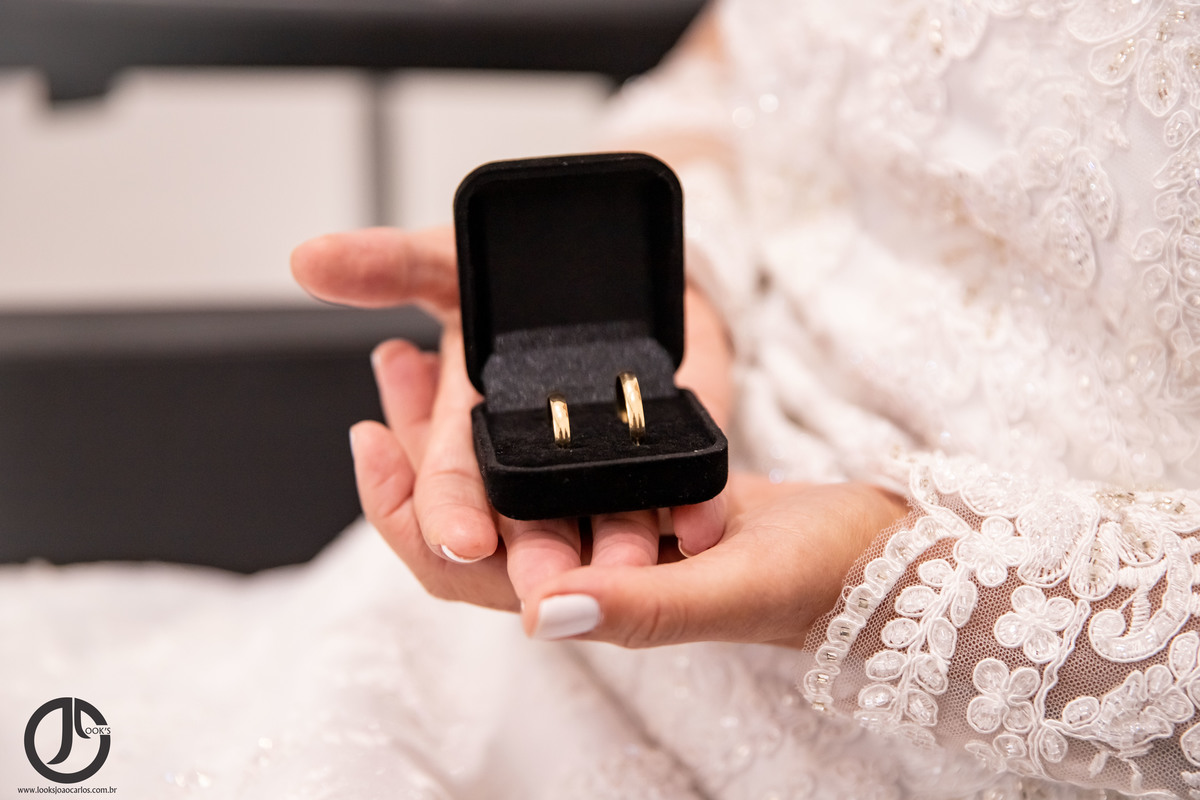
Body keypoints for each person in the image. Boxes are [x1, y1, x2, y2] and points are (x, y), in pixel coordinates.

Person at [293, 0, 1200, 797]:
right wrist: (674, 270)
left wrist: (894, 574)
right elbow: (728, 72)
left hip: (1007, 710)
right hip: (584, 592)